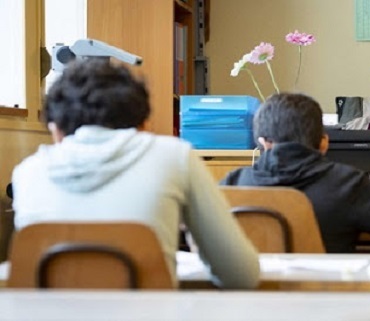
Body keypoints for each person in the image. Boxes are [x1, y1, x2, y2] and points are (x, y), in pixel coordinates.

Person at [11, 59, 259, 289]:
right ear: (142, 124)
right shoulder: (175, 157)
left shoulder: (27, 173)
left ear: (56, 131)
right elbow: (241, 276)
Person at [221, 93, 370, 253]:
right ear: (324, 143)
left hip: (246, 296)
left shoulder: (233, 183)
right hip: (326, 294)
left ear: (263, 143)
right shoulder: (347, 184)